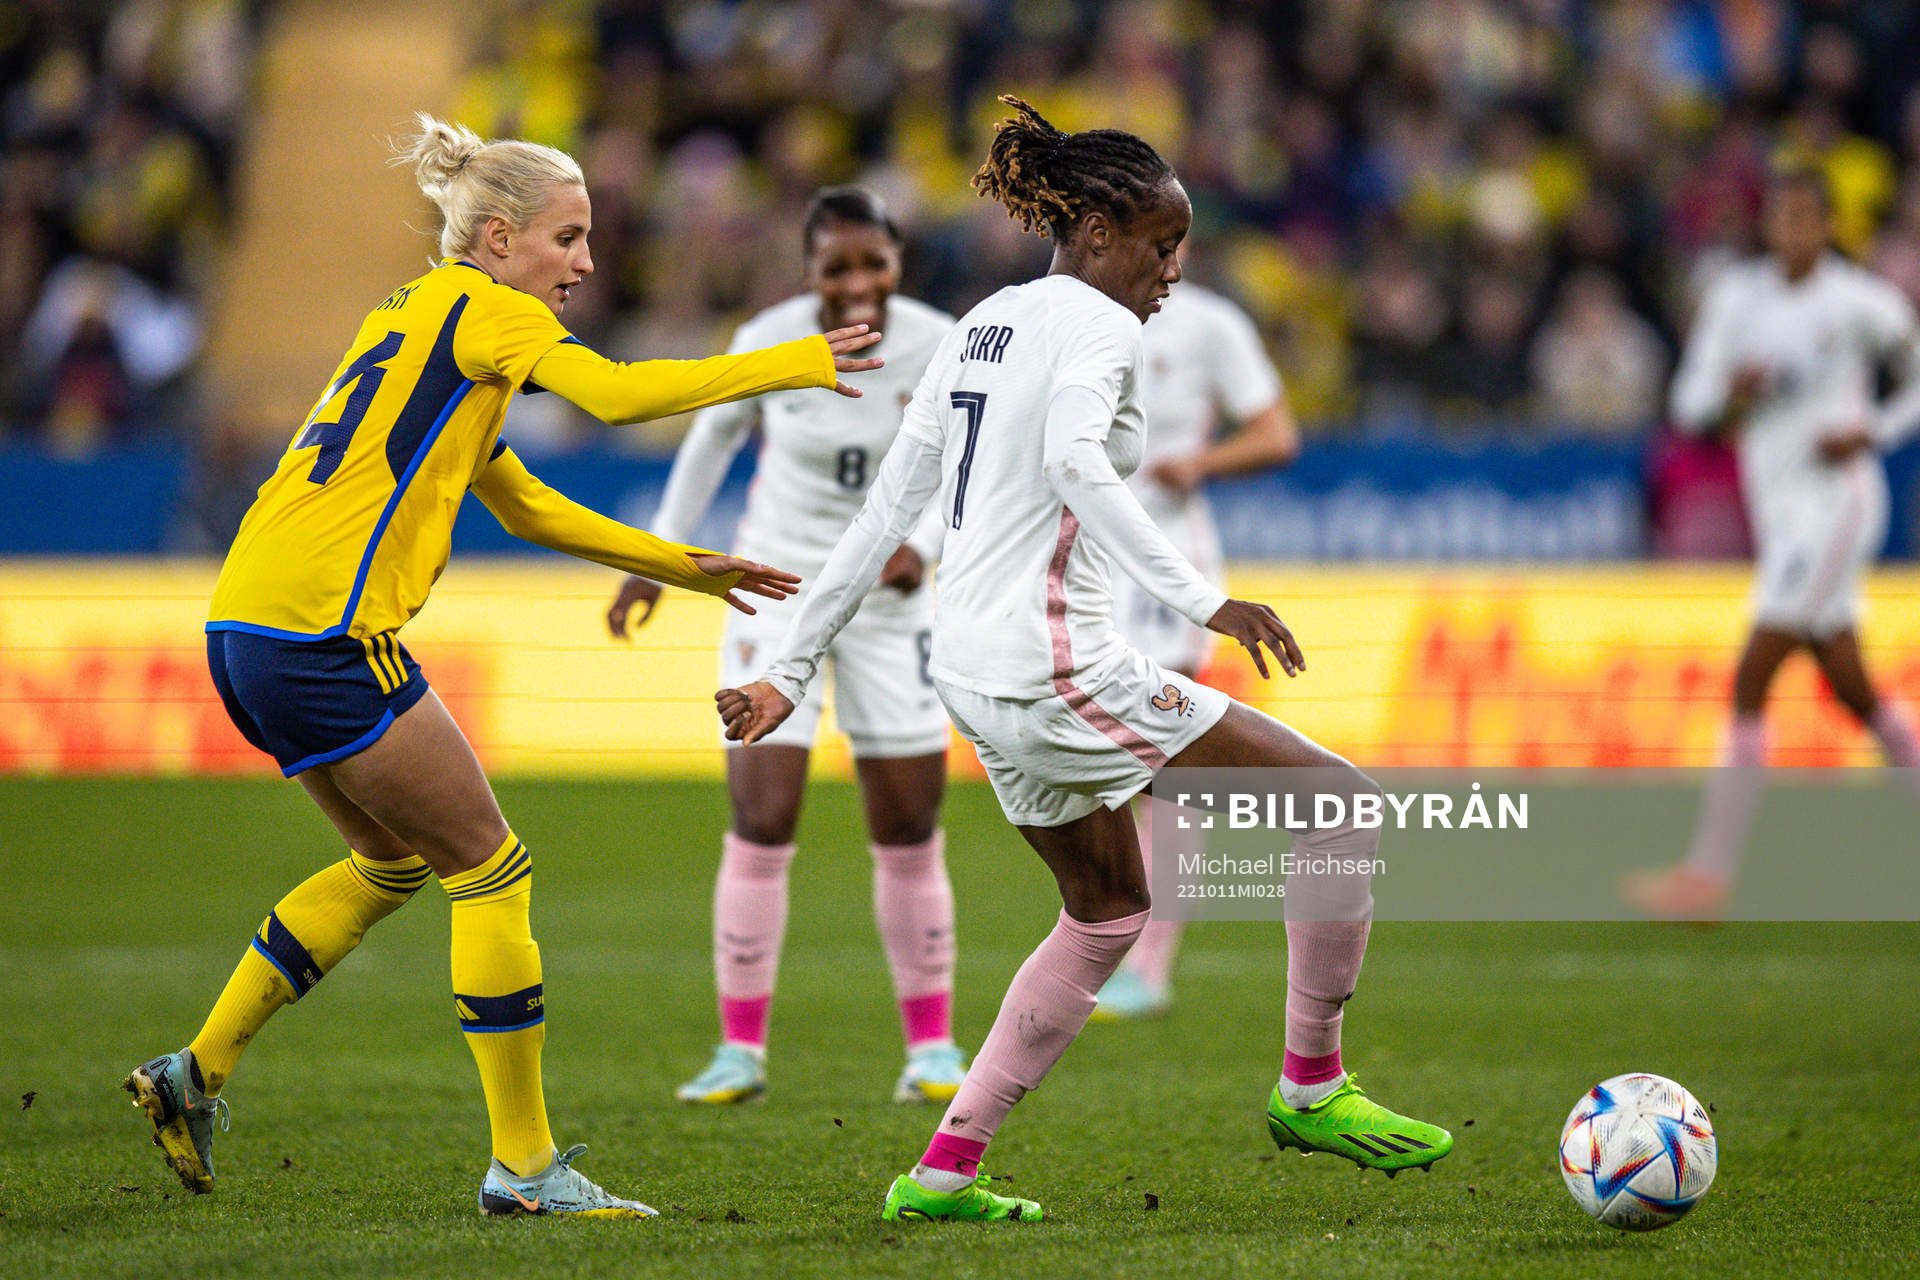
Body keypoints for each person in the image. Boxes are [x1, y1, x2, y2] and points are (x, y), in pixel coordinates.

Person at [123, 114, 885, 1217]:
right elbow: (617, 396)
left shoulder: (420, 315)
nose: (586, 263)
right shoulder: (491, 312)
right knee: (491, 869)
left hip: (247, 628)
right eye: (568, 238)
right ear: (497, 239)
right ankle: (524, 1169)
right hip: (325, 633)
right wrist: (797, 363)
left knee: (392, 863)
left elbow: (523, 503)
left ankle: (193, 1074)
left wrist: (682, 565)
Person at [718, 97, 1451, 1223]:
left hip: (969, 671)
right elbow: (1074, 460)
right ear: (1100, 232)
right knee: (1340, 806)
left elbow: (884, 513)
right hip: (1056, 667)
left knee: (1106, 913)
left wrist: (788, 666)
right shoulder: (1104, 328)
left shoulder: (981, 323)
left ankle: (943, 1174)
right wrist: (1206, 600)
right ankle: (1313, 1086)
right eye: (1163, 245)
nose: (1173, 271)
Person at [605, 187, 968, 1106]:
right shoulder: (769, 341)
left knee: (908, 823)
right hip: (776, 591)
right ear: (808, 271)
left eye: (873, 263)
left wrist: (923, 548)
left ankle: (932, 1049)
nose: (857, 283)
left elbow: (971, 465)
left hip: (889, 602)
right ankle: (740, 1052)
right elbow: (709, 443)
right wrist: (658, 558)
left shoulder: (943, 343)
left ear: (898, 262)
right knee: (763, 815)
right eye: (836, 267)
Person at [1626, 165, 1920, 919]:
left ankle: (1707, 874)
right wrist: (1733, 396)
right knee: (1851, 686)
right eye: (1780, 218)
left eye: (1805, 218)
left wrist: (1873, 430)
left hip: (1838, 504)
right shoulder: (1737, 299)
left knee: (1752, 675)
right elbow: (1689, 403)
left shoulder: (1862, 303)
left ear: (1828, 226)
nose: (1792, 232)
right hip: (1780, 512)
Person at [1094, 259, 1299, 1021]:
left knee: (1167, 764)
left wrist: (1200, 464)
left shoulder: (1211, 323)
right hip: (1080, 556)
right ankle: (1108, 939)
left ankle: (1148, 965)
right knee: (1101, 762)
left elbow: (1276, 434)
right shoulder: (1068, 314)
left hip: (1168, 565)